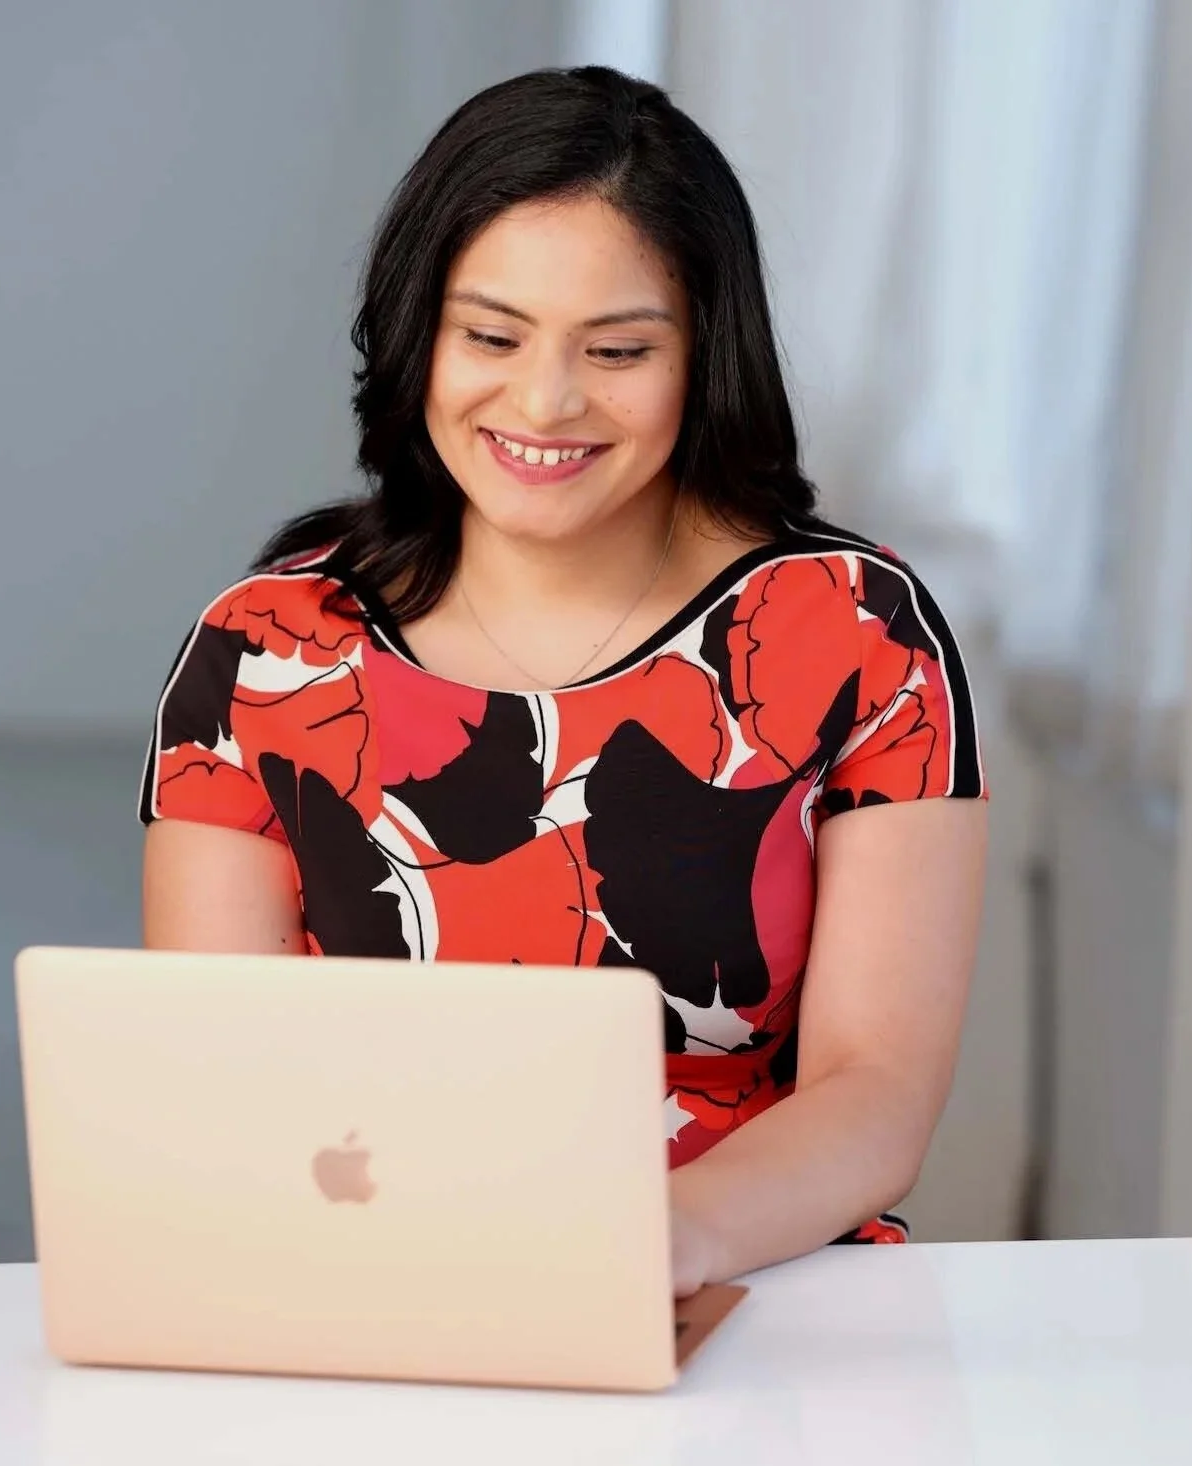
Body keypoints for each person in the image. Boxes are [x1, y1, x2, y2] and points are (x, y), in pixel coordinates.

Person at [140, 66, 988, 1297]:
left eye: (619, 348)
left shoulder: (860, 632)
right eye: (491, 335)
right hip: (354, 1288)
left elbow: (879, 1093)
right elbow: (222, 1087)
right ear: (416, 329)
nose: (545, 401)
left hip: (743, 1291)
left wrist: (656, 1246)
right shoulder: (267, 652)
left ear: (706, 352)